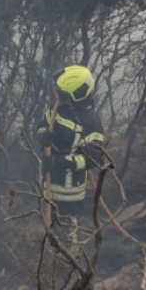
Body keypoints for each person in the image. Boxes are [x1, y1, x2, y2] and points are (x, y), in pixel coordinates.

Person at [38, 64, 106, 251]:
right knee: (47, 219)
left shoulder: (91, 123)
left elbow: (91, 159)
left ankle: (71, 257)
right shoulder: (58, 110)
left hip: (69, 190)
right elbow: (42, 125)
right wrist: (43, 135)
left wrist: (59, 163)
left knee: (68, 226)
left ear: (77, 94)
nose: (57, 96)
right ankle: (48, 252)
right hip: (49, 181)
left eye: (62, 93)